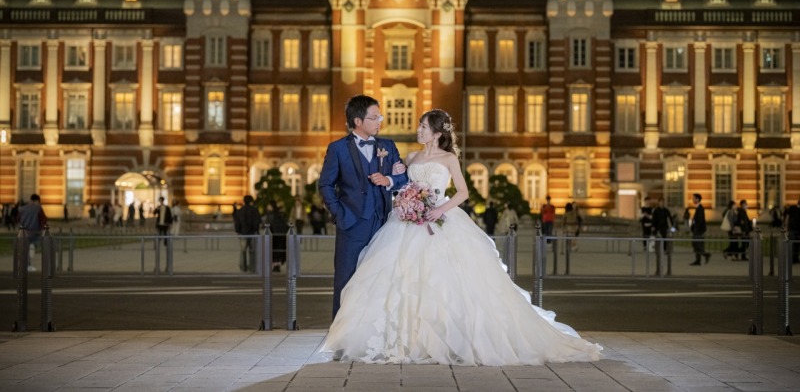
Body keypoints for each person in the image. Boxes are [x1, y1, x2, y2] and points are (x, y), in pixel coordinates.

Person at [322, 109, 602, 365]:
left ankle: (450, 337)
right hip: (407, 223)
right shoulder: (410, 158)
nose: (418, 130)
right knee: (400, 279)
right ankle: (407, 338)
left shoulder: (448, 158)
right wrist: (399, 182)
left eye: (422, 126)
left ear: (437, 133)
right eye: (419, 125)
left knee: (446, 282)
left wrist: (439, 209)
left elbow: (463, 192)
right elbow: (399, 182)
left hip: (440, 220)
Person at [318, 94, 408, 318]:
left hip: (383, 224)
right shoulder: (337, 148)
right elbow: (326, 185)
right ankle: (340, 337)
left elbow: (404, 179)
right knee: (346, 279)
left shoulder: (387, 146)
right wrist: (340, 214)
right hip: (351, 224)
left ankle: (374, 334)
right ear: (358, 121)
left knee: (382, 279)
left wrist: (389, 180)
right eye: (375, 117)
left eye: (380, 117)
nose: (380, 121)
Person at [18, 193, 49, 272]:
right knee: (32, 247)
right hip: (35, 232)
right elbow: (43, 219)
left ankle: (25, 265)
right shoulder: (38, 208)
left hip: (23, 232)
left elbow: (17, 219)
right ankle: (29, 265)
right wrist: (43, 229)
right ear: (37, 201)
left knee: (25, 249)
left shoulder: (22, 208)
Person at [233, 195, 261, 273]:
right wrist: (255, 229)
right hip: (252, 233)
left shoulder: (240, 211)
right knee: (252, 251)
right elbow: (257, 221)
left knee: (243, 251)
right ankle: (252, 268)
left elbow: (237, 222)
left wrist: (238, 231)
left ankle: (243, 267)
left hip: (242, 233)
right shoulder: (255, 210)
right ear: (251, 201)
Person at [689, 194, 711, 266]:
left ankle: (705, 254)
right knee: (696, 244)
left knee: (696, 243)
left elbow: (700, 220)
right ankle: (698, 260)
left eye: (694, 198)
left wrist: (696, 227)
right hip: (697, 229)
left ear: (697, 199)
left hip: (698, 229)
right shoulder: (698, 208)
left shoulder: (700, 208)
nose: (693, 200)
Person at [785, 198, 800, 264]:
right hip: (797, 230)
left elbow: (787, 218)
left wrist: (786, 227)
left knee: (792, 245)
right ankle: (795, 258)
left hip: (792, 229)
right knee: (797, 245)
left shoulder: (792, 208)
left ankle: (793, 259)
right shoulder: (792, 208)